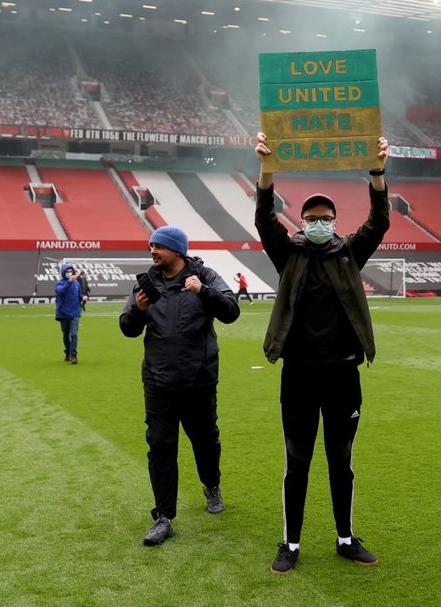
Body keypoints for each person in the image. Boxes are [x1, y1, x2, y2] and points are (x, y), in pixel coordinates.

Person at [253, 131, 390, 575]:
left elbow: (379, 222)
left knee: (341, 461)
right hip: (298, 376)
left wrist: (377, 172)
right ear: (300, 220)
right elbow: (263, 219)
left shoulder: (349, 253)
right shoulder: (288, 254)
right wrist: (266, 168)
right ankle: (290, 544)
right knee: (297, 461)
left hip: (343, 376)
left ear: (335, 220)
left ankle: (346, 538)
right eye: (311, 216)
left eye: (325, 216)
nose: (318, 222)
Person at [119, 224, 241, 546]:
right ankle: (164, 517)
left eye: (157, 246)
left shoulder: (205, 276)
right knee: (160, 446)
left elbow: (232, 312)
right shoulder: (146, 285)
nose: (152, 251)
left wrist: (204, 291)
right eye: (150, 246)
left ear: (176, 250)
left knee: (205, 441)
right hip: (158, 381)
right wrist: (138, 310)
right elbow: (127, 327)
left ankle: (211, 484)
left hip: (198, 380)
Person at [54, 261, 85, 364]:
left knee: (74, 334)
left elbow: (79, 295)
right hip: (63, 313)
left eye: (71, 271)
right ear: (63, 272)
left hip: (75, 312)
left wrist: (83, 298)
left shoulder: (76, 283)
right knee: (65, 335)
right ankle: (67, 352)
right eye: (67, 271)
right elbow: (60, 291)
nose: (70, 273)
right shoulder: (59, 283)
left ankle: (73, 355)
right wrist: (69, 282)